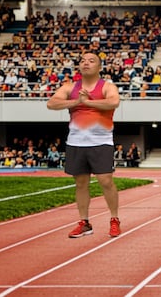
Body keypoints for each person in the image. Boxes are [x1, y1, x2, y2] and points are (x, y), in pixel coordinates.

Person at [47, 52, 122, 238]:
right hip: (76, 142)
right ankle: (84, 222)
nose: (86, 63)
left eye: (91, 60)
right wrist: (76, 102)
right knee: (81, 184)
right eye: (82, 61)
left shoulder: (107, 86)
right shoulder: (70, 87)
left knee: (106, 181)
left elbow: (114, 102)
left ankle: (114, 219)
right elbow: (51, 104)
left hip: (101, 141)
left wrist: (88, 101)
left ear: (99, 67)